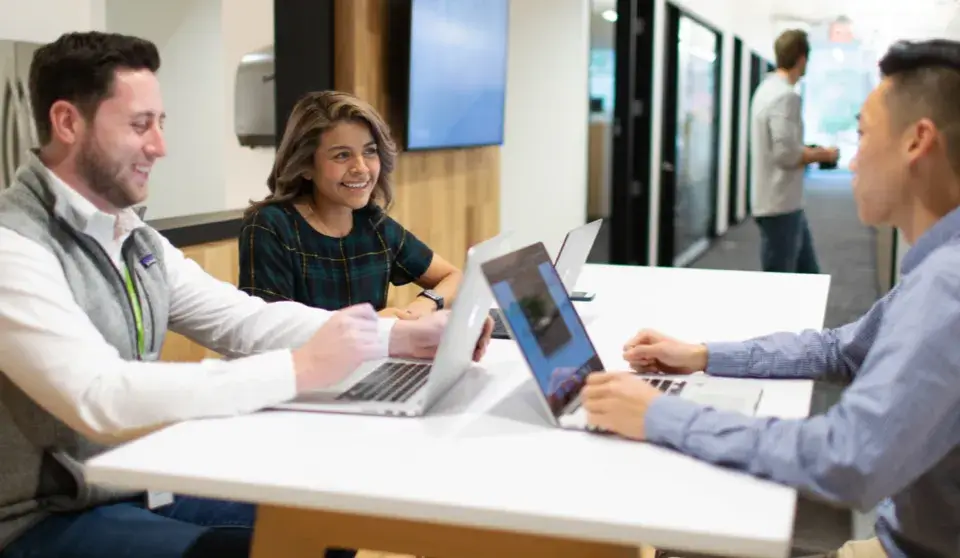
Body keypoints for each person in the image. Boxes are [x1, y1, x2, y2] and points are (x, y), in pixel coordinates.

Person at [0, 31, 490, 558]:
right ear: (68, 122)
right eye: (140, 125)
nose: (160, 147)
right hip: (39, 521)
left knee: (330, 527)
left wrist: (399, 336)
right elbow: (99, 397)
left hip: (131, 490)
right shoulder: (14, 246)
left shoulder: (130, 235)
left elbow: (244, 320)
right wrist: (300, 368)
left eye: (161, 124)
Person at [583, 39, 960, 558]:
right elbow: (838, 349)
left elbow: (846, 459)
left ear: (917, 143)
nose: (852, 160)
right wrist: (705, 355)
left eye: (862, 134)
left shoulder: (948, 285)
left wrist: (658, 416)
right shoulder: (937, 269)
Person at [239, 90, 462, 319]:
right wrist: (374, 325)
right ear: (305, 166)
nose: (362, 168)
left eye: (370, 152)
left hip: (372, 354)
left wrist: (423, 305)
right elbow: (268, 330)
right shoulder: (270, 226)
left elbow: (454, 277)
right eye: (342, 155)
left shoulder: (373, 223)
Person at [749, 29, 839, 274]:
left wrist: (808, 150)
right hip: (780, 204)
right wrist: (824, 155)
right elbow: (786, 154)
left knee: (807, 275)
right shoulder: (785, 96)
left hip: (780, 202)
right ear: (801, 59)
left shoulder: (766, 90)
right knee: (782, 282)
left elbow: (782, 144)